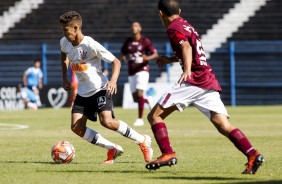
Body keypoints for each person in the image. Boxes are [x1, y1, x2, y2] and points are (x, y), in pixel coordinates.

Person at [145, 0, 264, 174]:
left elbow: (186, 47)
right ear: (179, 10)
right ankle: (253, 154)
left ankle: (167, 153)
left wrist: (186, 70)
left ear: (161, 14)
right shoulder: (186, 25)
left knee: (154, 116)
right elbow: (190, 48)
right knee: (222, 124)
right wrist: (169, 59)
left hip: (193, 79)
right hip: (207, 78)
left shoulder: (173, 28)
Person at [59, 11, 153, 164]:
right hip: (83, 92)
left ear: (76, 28)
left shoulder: (90, 44)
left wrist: (113, 80)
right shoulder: (64, 42)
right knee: (76, 127)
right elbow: (63, 56)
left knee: (107, 121)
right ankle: (112, 148)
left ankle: (142, 140)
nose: (64, 33)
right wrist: (64, 78)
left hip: (99, 88)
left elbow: (116, 61)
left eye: (66, 30)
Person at [121, 21, 159, 126]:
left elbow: (155, 54)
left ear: (140, 29)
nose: (134, 27)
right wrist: (123, 56)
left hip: (142, 69)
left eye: (136, 26)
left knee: (140, 92)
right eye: (132, 26)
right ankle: (148, 100)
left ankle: (140, 119)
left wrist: (148, 57)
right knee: (135, 98)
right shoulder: (128, 41)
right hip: (131, 70)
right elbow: (123, 51)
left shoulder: (145, 41)